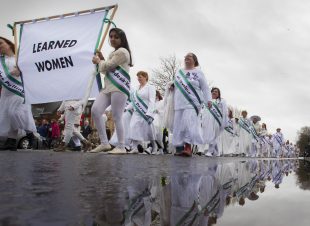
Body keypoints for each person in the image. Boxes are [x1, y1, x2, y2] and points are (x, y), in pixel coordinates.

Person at [90, 28, 132, 154]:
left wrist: (99, 61)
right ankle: (104, 143)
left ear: (122, 39)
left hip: (118, 87)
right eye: (111, 36)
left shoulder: (123, 52)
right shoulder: (112, 53)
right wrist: (101, 60)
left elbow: (108, 66)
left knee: (117, 116)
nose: (112, 39)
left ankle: (121, 146)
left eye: (116, 37)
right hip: (108, 87)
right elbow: (104, 70)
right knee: (95, 111)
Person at [171, 53, 212, 157]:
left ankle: (188, 147)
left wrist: (209, 100)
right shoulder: (179, 72)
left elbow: (205, 88)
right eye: (185, 57)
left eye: (189, 57)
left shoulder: (199, 73)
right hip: (179, 102)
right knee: (179, 125)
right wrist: (171, 86)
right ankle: (179, 147)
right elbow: (175, 85)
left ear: (194, 60)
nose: (186, 58)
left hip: (192, 103)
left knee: (189, 123)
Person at [0, 36, 36, 151]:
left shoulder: (20, 58)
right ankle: (11, 141)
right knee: (8, 116)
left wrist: (21, 70)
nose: (0, 46)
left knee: (14, 113)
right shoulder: (1, 61)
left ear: (8, 44)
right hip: (6, 93)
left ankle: (30, 134)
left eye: (1, 43)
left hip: (19, 91)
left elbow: (33, 71)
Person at [127, 71, 157, 154]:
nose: (138, 79)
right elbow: (133, 101)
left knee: (149, 130)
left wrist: (150, 113)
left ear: (145, 77)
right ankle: (135, 147)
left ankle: (154, 146)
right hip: (137, 112)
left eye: (140, 77)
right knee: (133, 127)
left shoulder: (150, 87)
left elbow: (152, 101)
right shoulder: (136, 88)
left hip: (146, 112)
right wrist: (126, 108)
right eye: (138, 77)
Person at [203, 87, 228, 157]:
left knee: (214, 136)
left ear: (219, 94)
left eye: (216, 91)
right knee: (212, 135)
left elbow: (225, 112)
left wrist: (224, 122)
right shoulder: (208, 101)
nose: (214, 92)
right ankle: (217, 152)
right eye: (213, 91)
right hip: (209, 121)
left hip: (217, 121)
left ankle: (210, 151)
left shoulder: (222, 101)